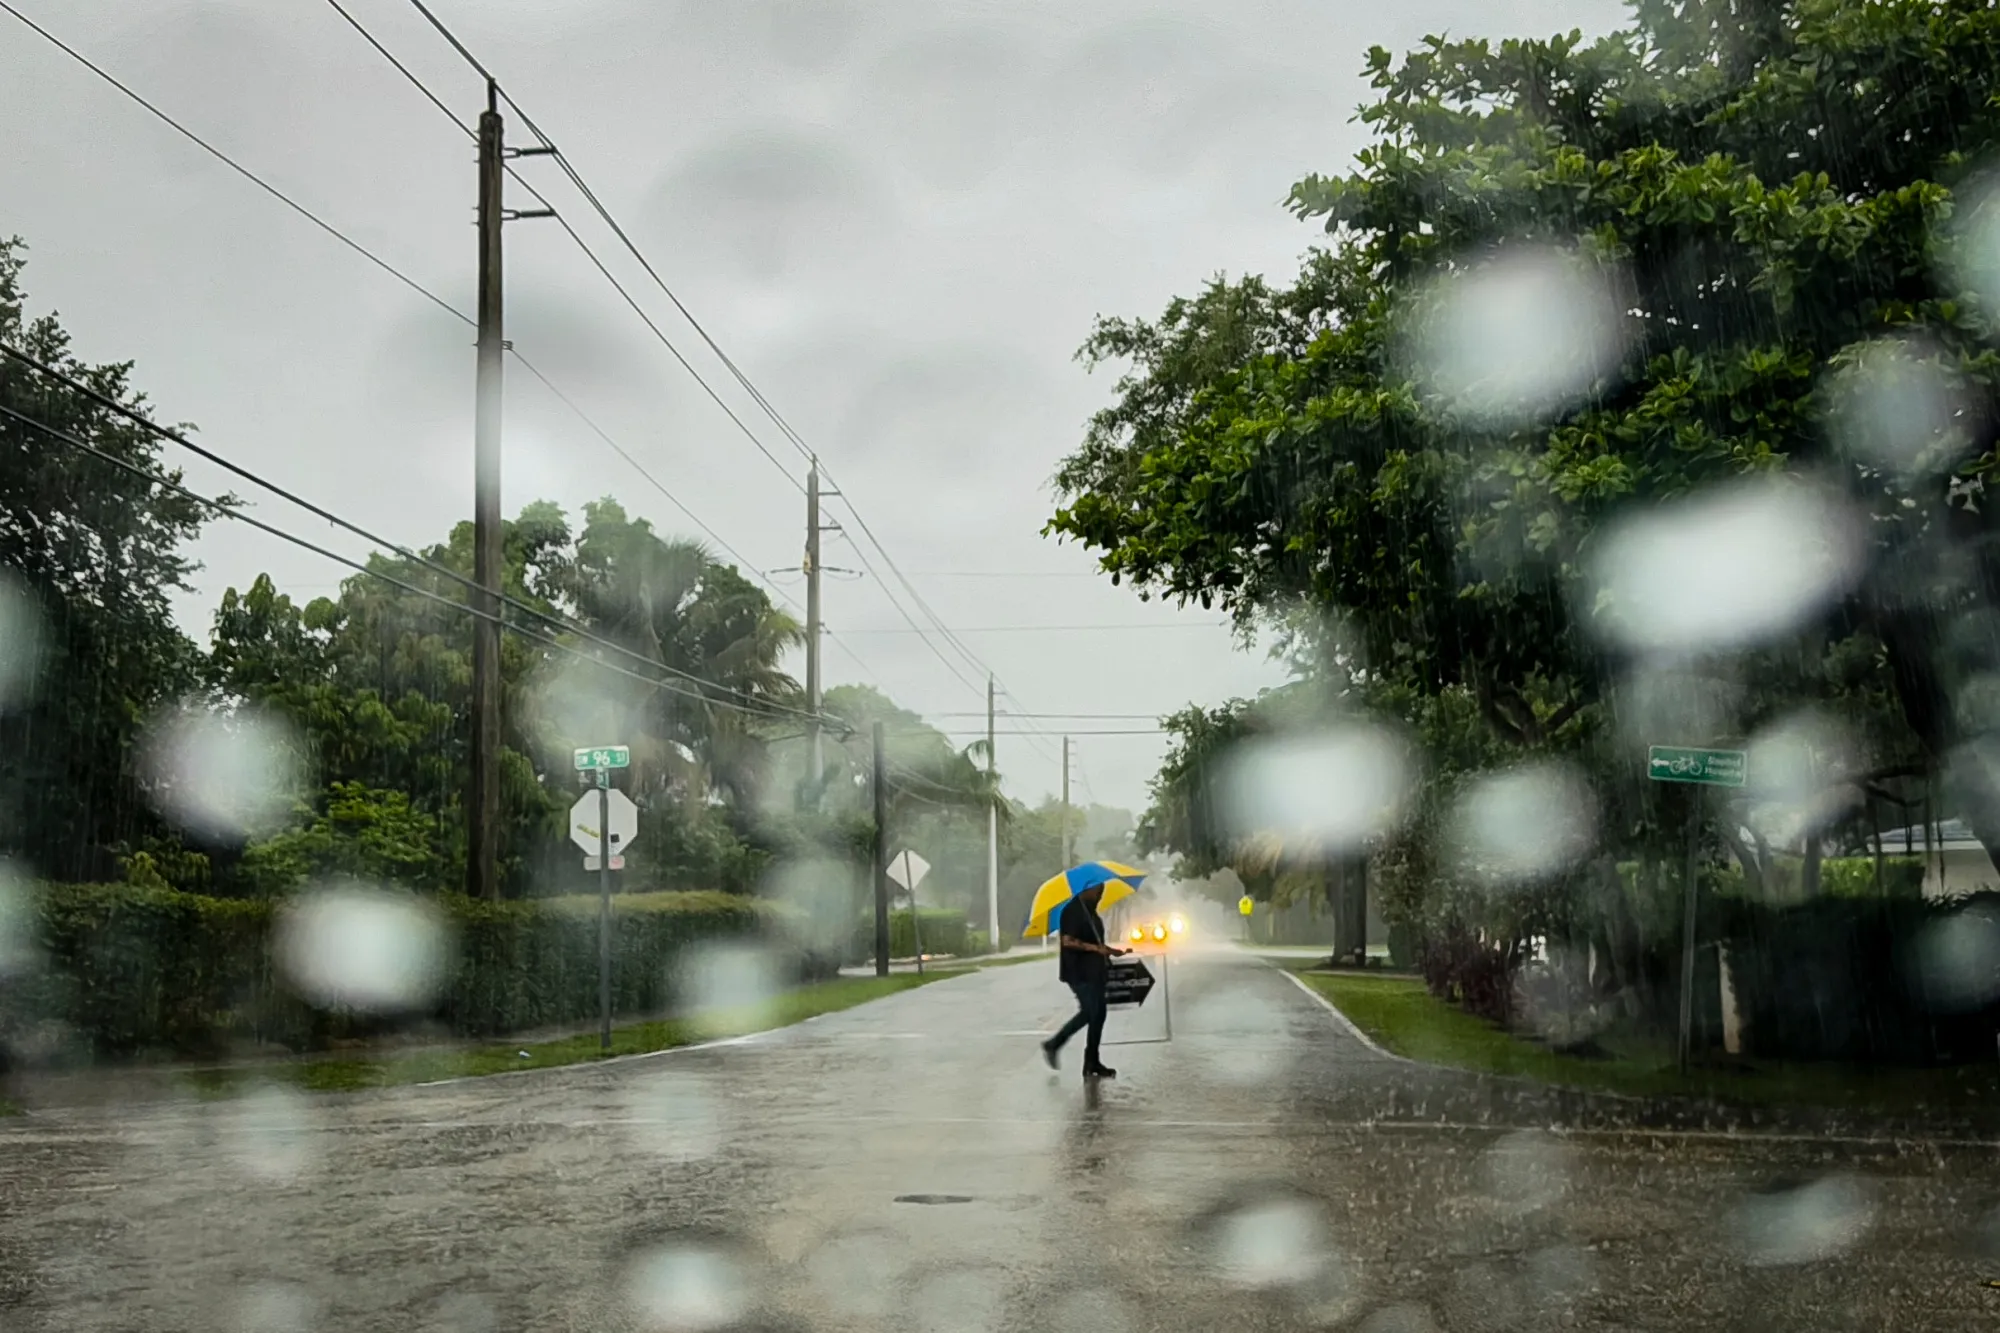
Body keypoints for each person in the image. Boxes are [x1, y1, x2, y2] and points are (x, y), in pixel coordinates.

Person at [1041, 884, 1129, 1078]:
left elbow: (1094, 941)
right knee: (1090, 1011)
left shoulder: (1090, 912)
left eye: (1102, 891)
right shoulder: (1072, 911)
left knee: (1099, 1014)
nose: (1100, 895)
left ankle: (1092, 1061)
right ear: (1085, 889)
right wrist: (1096, 949)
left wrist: (1110, 950)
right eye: (1097, 891)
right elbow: (1067, 940)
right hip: (1078, 972)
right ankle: (1053, 1044)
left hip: (1095, 972)